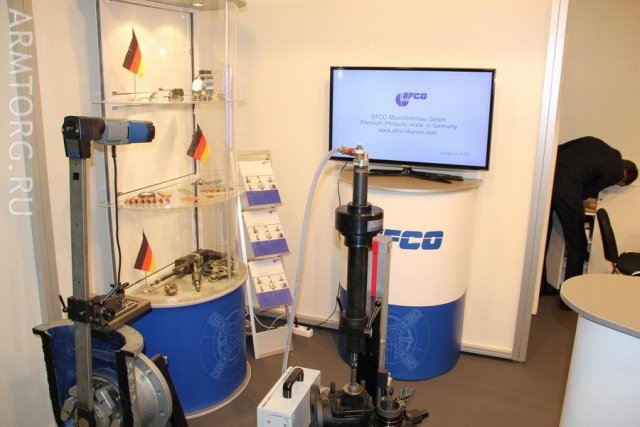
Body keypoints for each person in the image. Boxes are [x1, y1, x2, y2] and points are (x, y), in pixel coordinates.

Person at [543, 136, 638, 307]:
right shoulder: (616, 171)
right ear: (624, 180)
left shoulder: (603, 149)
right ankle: (569, 300)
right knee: (578, 244)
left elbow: (561, 149)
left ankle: (540, 286)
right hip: (566, 186)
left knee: (543, 234)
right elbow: (587, 191)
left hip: (548, 176)